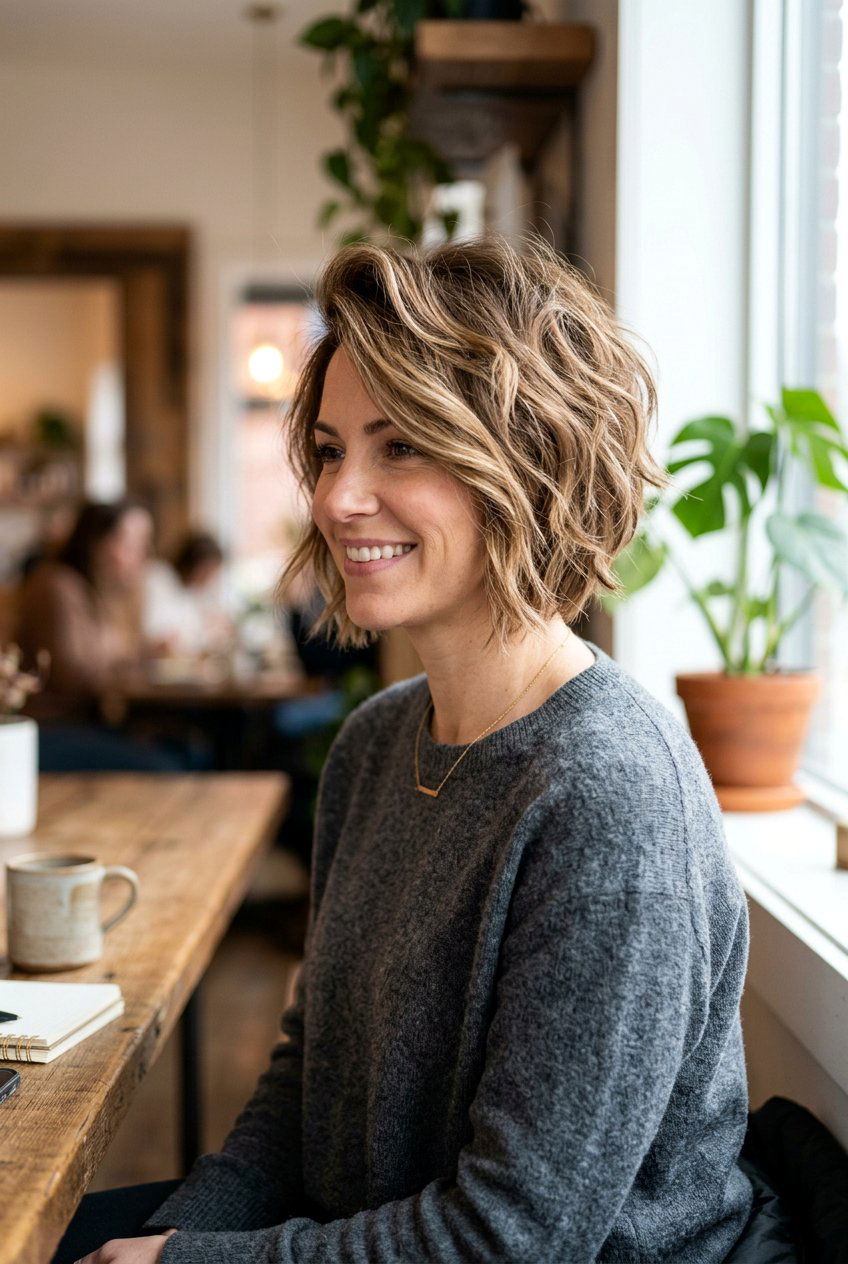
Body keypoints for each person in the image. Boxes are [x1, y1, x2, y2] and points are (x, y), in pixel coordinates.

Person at [55, 236, 764, 1263]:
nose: (338, 498)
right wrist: (183, 1234)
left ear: (526, 461)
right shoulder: (376, 741)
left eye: (401, 446)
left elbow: (514, 1236)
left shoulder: (609, 792)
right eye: (334, 449)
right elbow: (308, 1080)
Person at [16, 497, 183, 772]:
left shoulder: (94, 590)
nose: (142, 557)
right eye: (131, 546)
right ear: (95, 543)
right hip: (48, 731)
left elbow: (118, 651)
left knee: (185, 749)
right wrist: (134, 653)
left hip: (84, 725)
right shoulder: (57, 586)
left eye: (144, 546)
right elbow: (73, 673)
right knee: (167, 766)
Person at [142, 531, 236, 657]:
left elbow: (194, 636)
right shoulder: (158, 577)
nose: (209, 579)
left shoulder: (192, 592)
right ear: (195, 564)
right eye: (207, 571)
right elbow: (155, 633)